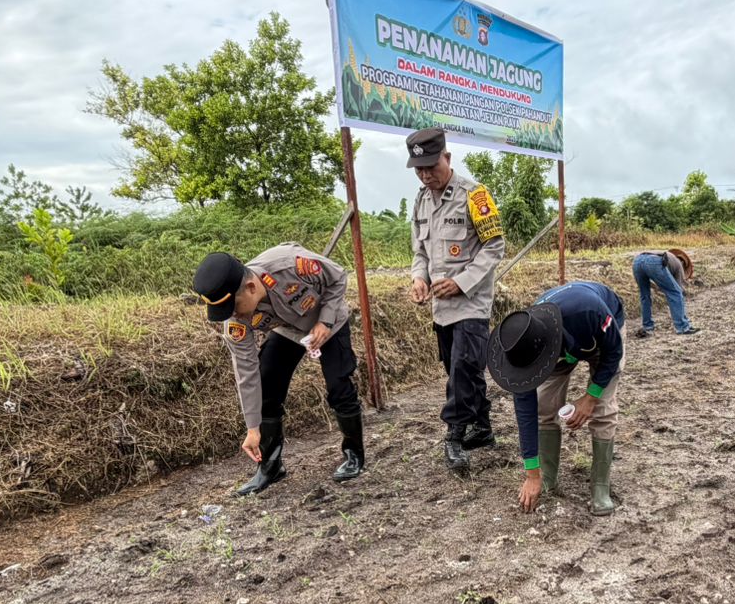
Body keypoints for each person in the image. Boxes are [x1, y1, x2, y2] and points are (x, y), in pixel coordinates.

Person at [193, 245, 364, 496]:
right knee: (267, 384)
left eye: (235, 308)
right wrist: (253, 428)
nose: (234, 316)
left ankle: (354, 455)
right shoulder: (235, 320)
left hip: (328, 321)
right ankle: (271, 467)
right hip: (288, 330)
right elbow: (246, 374)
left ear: (251, 288)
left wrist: (325, 321)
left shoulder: (290, 266)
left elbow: (337, 276)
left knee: (339, 387)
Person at [406, 127, 506, 474]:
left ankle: (454, 434)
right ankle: (483, 428)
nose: (426, 175)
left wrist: (461, 283)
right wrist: (419, 277)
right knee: (458, 368)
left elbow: (495, 247)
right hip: (440, 305)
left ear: (446, 158)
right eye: (419, 169)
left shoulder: (475, 195)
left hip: (471, 301)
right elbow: (419, 250)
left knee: (463, 367)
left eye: (431, 167)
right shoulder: (421, 200)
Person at [487, 281, 625, 516]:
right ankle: (548, 478)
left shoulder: (587, 311)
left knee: (603, 410)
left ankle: (600, 487)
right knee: (543, 406)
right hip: (560, 349)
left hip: (601, 339)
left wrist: (591, 397)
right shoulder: (522, 349)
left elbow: (614, 352)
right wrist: (532, 474)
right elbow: (527, 414)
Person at [631, 247, 698, 336]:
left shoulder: (669, 257)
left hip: (637, 261)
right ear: (683, 262)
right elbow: (678, 290)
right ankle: (682, 327)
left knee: (645, 296)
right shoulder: (678, 264)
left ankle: (647, 327)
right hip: (654, 262)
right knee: (676, 293)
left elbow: (657, 283)